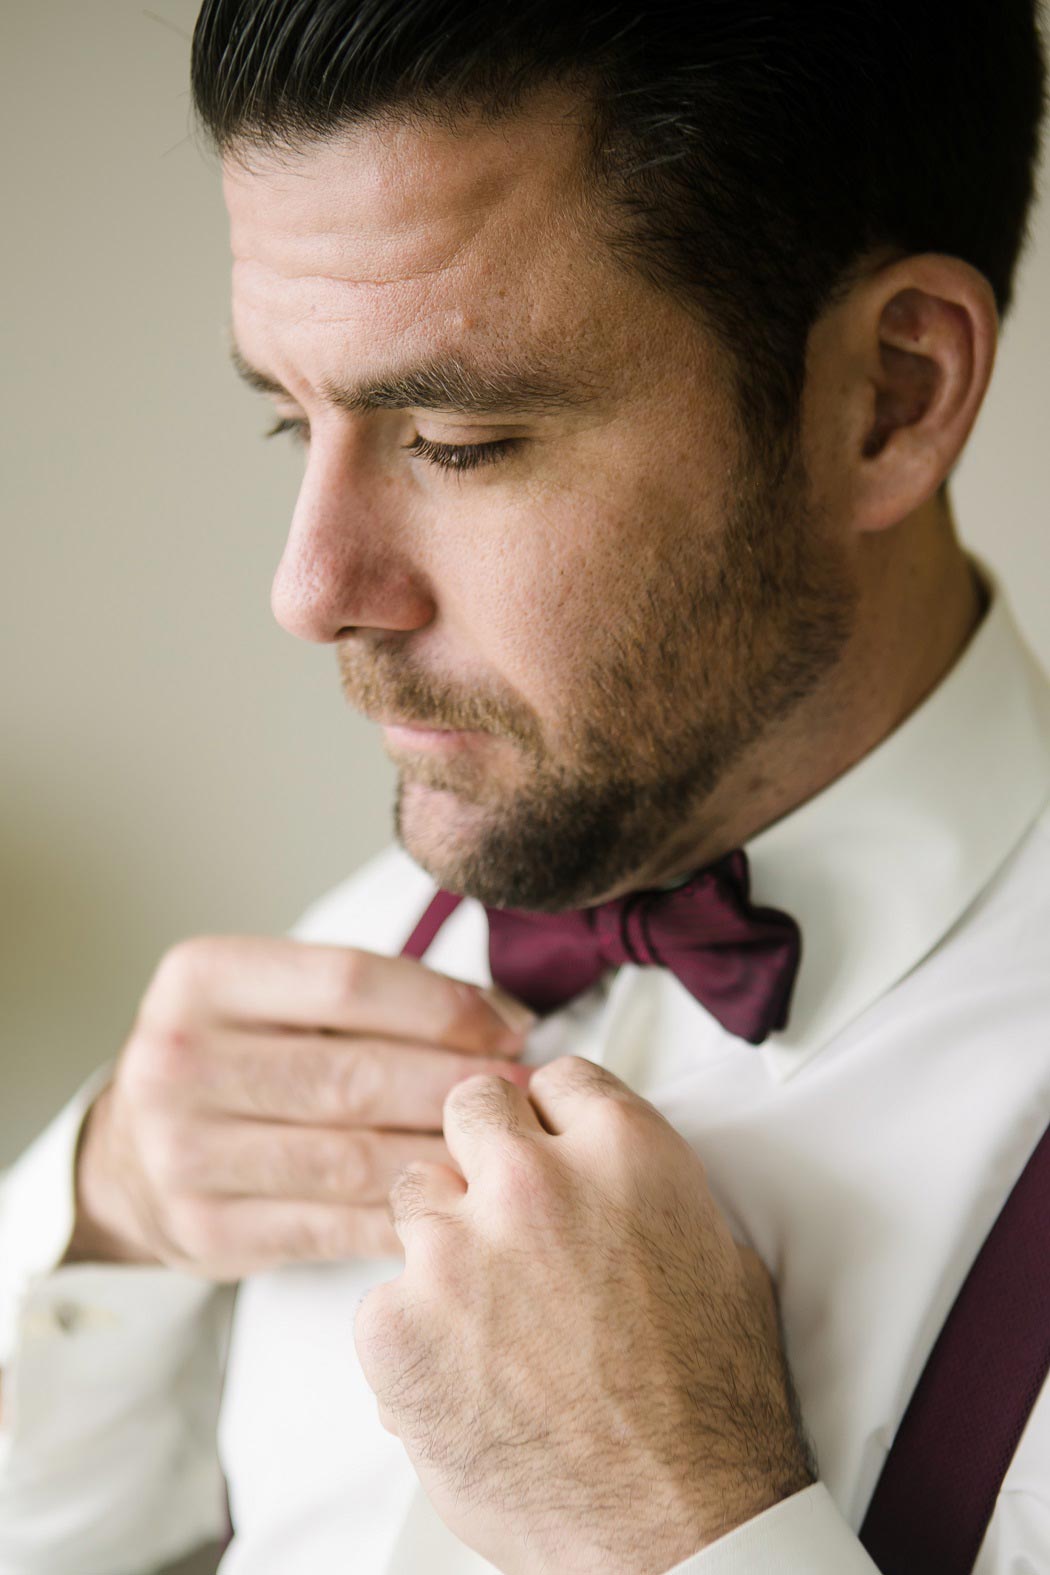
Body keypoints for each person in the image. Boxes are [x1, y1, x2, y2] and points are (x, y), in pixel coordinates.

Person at [1, 2, 1048, 1571]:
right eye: (293, 419)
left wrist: (682, 1531)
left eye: (458, 439)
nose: (310, 589)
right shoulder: (349, 964)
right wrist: (106, 1228)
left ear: (888, 395)